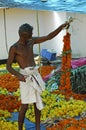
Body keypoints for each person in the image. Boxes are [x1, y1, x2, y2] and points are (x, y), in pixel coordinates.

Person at [6, 22, 69, 130]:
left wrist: (61, 26)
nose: (32, 35)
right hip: (25, 77)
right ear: (24, 35)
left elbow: (49, 37)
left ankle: (38, 127)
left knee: (37, 102)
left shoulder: (31, 41)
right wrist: (18, 75)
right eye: (31, 33)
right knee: (25, 105)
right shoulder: (14, 48)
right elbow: (8, 66)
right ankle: (20, 128)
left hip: (34, 74)